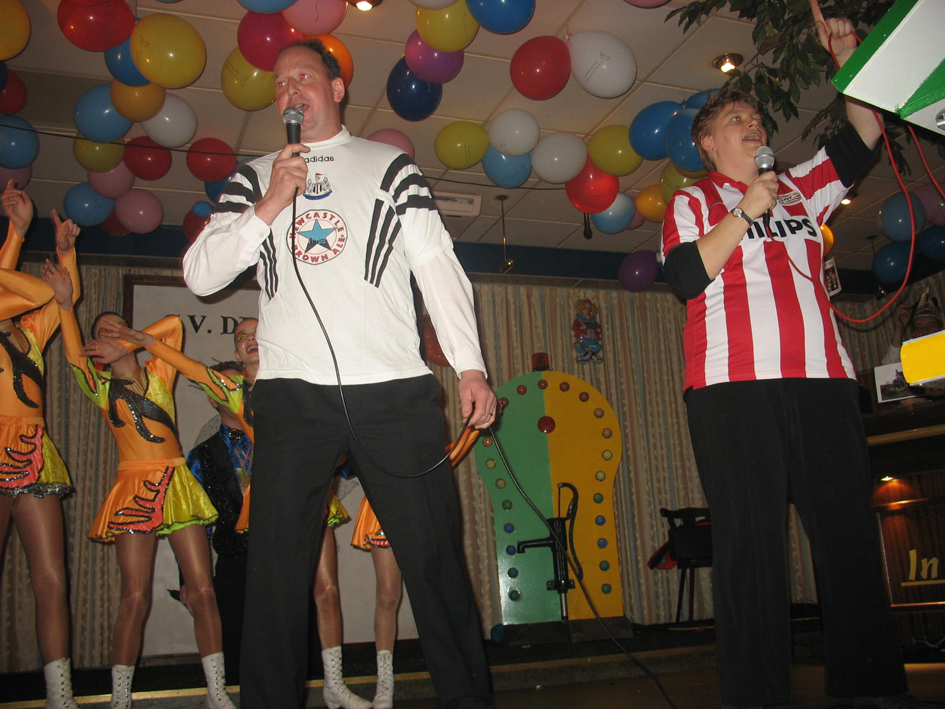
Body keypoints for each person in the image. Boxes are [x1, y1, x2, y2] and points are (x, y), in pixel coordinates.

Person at [182, 37, 497, 709]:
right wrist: (271, 202)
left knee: (434, 560)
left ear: (335, 88)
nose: (289, 89)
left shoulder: (389, 166)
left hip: (393, 390)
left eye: (302, 76)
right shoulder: (255, 177)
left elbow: (437, 266)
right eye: (279, 83)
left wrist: (470, 367)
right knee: (276, 571)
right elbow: (201, 273)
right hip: (292, 397)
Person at [660, 4, 925, 707]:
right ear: (707, 143)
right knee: (751, 548)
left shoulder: (803, 187)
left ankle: (872, 688)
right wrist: (746, 207)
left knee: (847, 537)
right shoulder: (694, 202)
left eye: (757, 118)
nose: (754, 124)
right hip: (732, 389)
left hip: (822, 382)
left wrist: (850, 63)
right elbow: (684, 276)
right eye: (736, 120)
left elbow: (864, 134)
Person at [111, 316, 371, 708]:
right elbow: (192, 369)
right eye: (242, 337)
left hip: (309, 493)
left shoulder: (297, 382)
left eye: (256, 333)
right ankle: (267, 692)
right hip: (271, 504)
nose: (250, 340)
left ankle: (334, 684)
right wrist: (150, 342)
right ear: (237, 351)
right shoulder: (235, 393)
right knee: (273, 603)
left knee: (326, 588)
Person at [39, 268, 237, 709]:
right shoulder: (99, 386)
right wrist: (67, 308)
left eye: (118, 327)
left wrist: (130, 340)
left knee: (203, 589)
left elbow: (172, 324)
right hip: (133, 487)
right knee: (134, 596)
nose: (111, 333)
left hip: (177, 483)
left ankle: (217, 692)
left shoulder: (159, 371)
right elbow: (73, 354)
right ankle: (120, 698)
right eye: (103, 331)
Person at [1, 181, 81, 709]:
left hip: (32, 449)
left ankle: (60, 696)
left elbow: (61, 299)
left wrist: (65, 251)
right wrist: (17, 232)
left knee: (52, 578)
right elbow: (33, 291)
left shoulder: (30, 332)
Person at [183, 361, 252, 685]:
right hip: (232, 567)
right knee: (235, 658)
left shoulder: (279, 442)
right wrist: (188, 579)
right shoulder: (201, 455)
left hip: (282, 565)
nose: (235, 392)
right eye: (225, 386)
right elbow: (193, 523)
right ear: (212, 398)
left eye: (240, 386)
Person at [349, 495, 403, 709]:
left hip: (423, 498)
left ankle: (446, 675)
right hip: (384, 499)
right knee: (388, 595)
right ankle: (384, 682)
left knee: (432, 594)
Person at [882, 290, 944, 365]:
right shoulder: (910, 359)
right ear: (913, 333)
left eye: (930, 326)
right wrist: (899, 329)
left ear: (940, 330)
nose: (925, 331)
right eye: (919, 327)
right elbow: (889, 367)